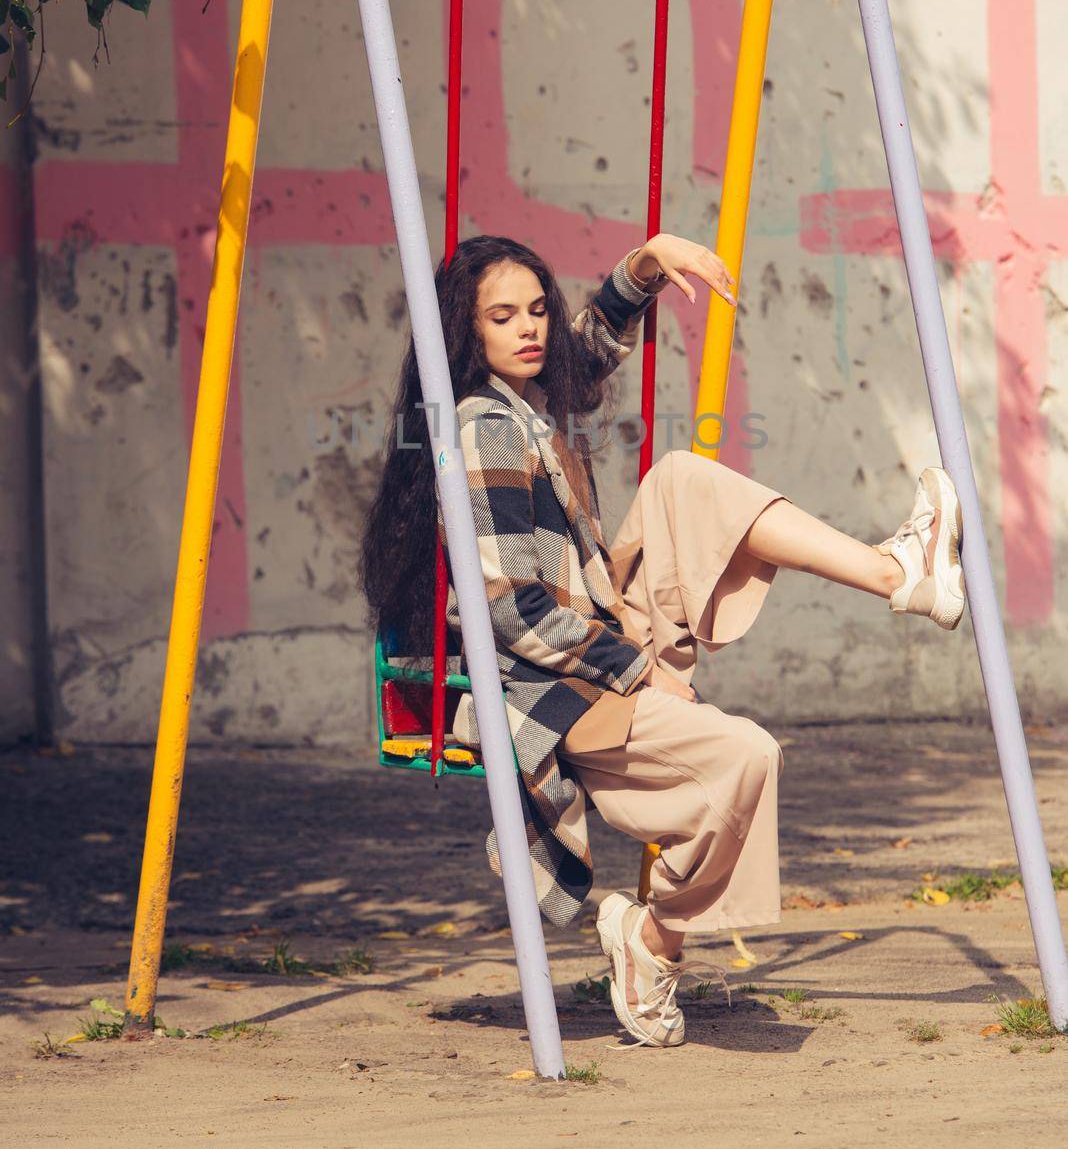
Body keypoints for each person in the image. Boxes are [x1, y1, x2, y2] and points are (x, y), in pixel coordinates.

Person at [358, 233, 965, 1048]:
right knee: (748, 757)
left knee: (680, 477)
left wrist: (644, 266)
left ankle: (900, 574)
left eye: (536, 308)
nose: (530, 329)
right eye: (503, 318)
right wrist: (640, 674)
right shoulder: (486, 433)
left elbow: (585, 347)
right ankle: (653, 942)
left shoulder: (521, 406)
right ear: (469, 334)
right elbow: (514, 614)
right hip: (551, 686)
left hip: (595, 624)